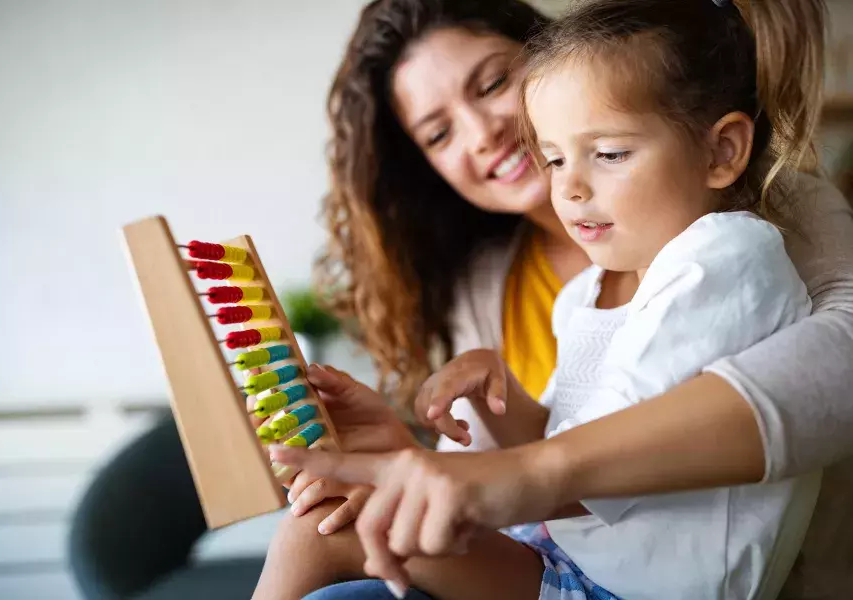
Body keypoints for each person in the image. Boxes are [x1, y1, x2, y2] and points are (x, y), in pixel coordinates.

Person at [253, 0, 853, 597]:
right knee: (328, 540)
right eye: (439, 132)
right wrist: (427, 438)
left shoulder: (741, 237)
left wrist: (429, 478)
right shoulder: (571, 288)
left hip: (623, 582)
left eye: (491, 84)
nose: (484, 133)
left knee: (325, 535)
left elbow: (565, 475)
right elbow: (546, 444)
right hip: (562, 555)